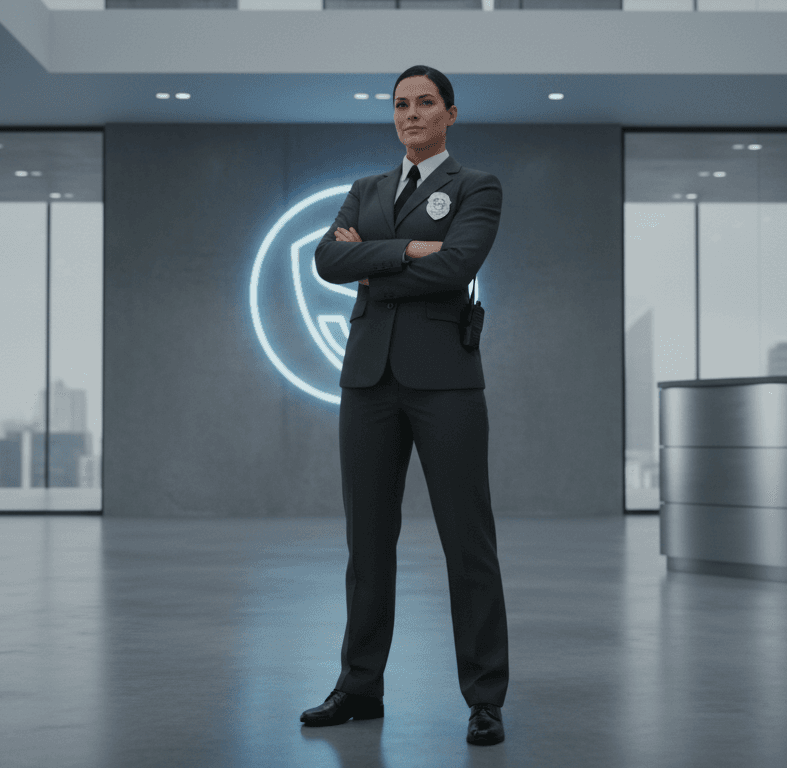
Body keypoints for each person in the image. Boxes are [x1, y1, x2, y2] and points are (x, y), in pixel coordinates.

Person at [304, 65, 509, 747]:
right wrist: (409, 251)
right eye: (401, 104)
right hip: (367, 383)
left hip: (446, 383)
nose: (411, 114)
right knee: (366, 545)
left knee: (467, 542)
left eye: (425, 103)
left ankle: (484, 698)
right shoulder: (364, 191)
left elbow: (457, 267)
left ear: (450, 113)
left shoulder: (477, 187)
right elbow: (325, 263)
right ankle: (359, 686)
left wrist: (375, 262)